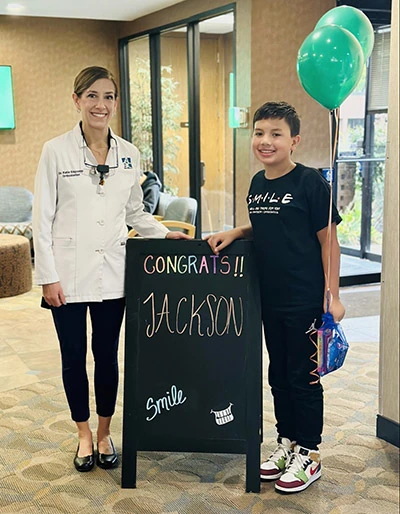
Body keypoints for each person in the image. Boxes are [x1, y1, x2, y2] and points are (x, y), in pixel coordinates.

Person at [32, 66, 191, 473]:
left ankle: (104, 432)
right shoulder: (56, 150)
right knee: (73, 358)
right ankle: (82, 433)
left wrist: (161, 234)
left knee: (107, 356)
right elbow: (42, 218)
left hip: (113, 273)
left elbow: (135, 210)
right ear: (77, 100)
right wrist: (47, 276)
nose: (101, 105)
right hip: (65, 274)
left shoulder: (129, 154)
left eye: (108, 97)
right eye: (92, 96)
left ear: (116, 103)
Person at [207, 101, 345, 494]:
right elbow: (270, 225)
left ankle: (311, 454)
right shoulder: (257, 184)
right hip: (269, 299)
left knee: (304, 379)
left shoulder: (310, 183)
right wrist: (237, 231)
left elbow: (328, 241)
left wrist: (331, 296)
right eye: (260, 133)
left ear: (294, 141)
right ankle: (288, 444)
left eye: (276, 134)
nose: (266, 141)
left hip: (305, 301)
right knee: (279, 376)